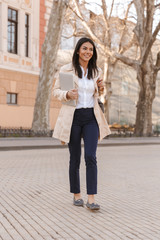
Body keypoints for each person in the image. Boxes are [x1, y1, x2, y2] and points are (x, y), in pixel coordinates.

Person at [52, 37, 111, 210]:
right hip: (73, 117)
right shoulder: (66, 69)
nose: (88, 52)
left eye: (91, 50)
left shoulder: (96, 71)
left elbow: (98, 94)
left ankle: (91, 198)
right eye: (84, 48)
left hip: (91, 117)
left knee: (91, 157)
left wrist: (101, 88)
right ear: (78, 50)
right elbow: (56, 91)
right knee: (75, 158)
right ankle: (77, 195)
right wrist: (67, 94)